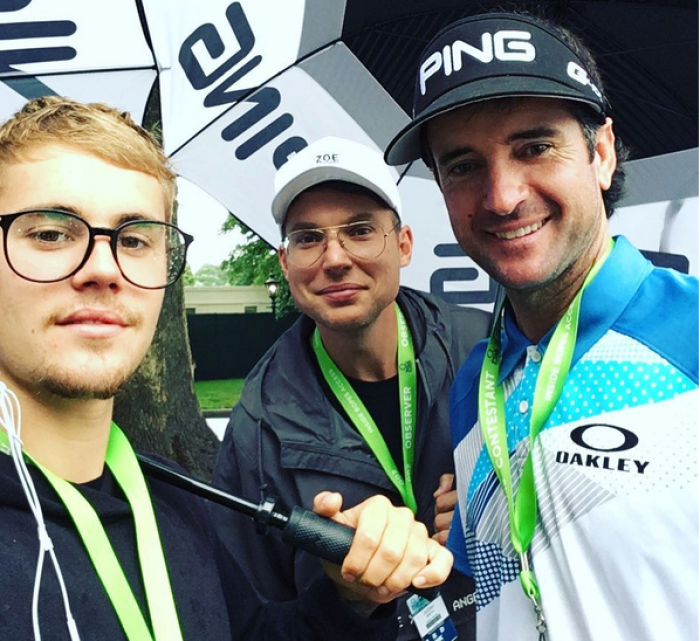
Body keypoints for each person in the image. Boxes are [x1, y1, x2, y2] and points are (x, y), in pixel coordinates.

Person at [0, 96, 453, 641]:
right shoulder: (254, 429)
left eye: (135, 238)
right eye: (51, 233)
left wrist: (350, 598)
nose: (103, 268)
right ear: (285, 262)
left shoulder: (179, 507)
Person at [384, 10, 699, 641]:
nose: (501, 197)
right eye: (463, 165)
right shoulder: (477, 378)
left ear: (601, 152)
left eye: (534, 147)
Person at [212, 136, 491, 640]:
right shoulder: (257, 427)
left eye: (360, 230)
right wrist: (345, 598)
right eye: (308, 238)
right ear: (285, 262)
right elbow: (251, 624)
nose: (334, 258)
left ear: (403, 244)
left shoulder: (487, 346)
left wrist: (500, 502)